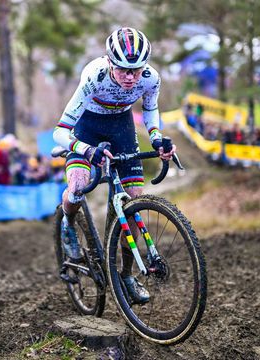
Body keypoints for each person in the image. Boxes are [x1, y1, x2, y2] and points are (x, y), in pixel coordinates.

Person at [52, 27, 176, 304]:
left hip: (121, 128)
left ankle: (127, 275)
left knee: (134, 203)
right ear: (110, 62)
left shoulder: (150, 78)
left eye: (136, 70)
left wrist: (156, 138)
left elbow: (151, 109)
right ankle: (68, 225)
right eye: (123, 70)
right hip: (88, 129)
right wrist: (85, 150)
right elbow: (60, 131)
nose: (131, 77)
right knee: (78, 186)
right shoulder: (93, 76)